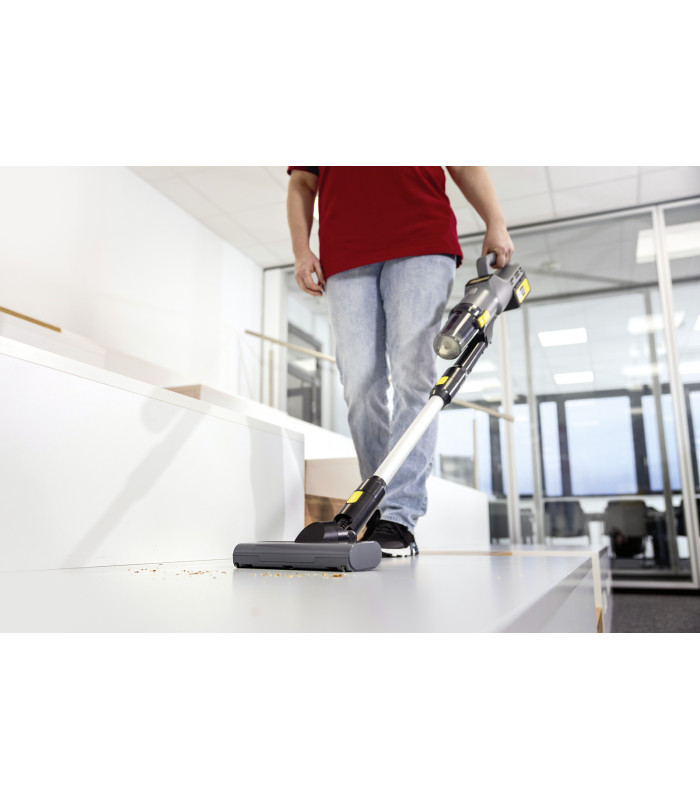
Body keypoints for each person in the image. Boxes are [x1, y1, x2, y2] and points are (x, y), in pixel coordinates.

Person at [287, 167, 513, 557]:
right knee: (359, 385)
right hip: (345, 251)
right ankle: (374, 506)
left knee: (413, 377)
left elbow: (463, 164)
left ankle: (398, 516)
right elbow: (303, 182)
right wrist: (300, 251)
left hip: (421, 238)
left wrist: (496, 222)